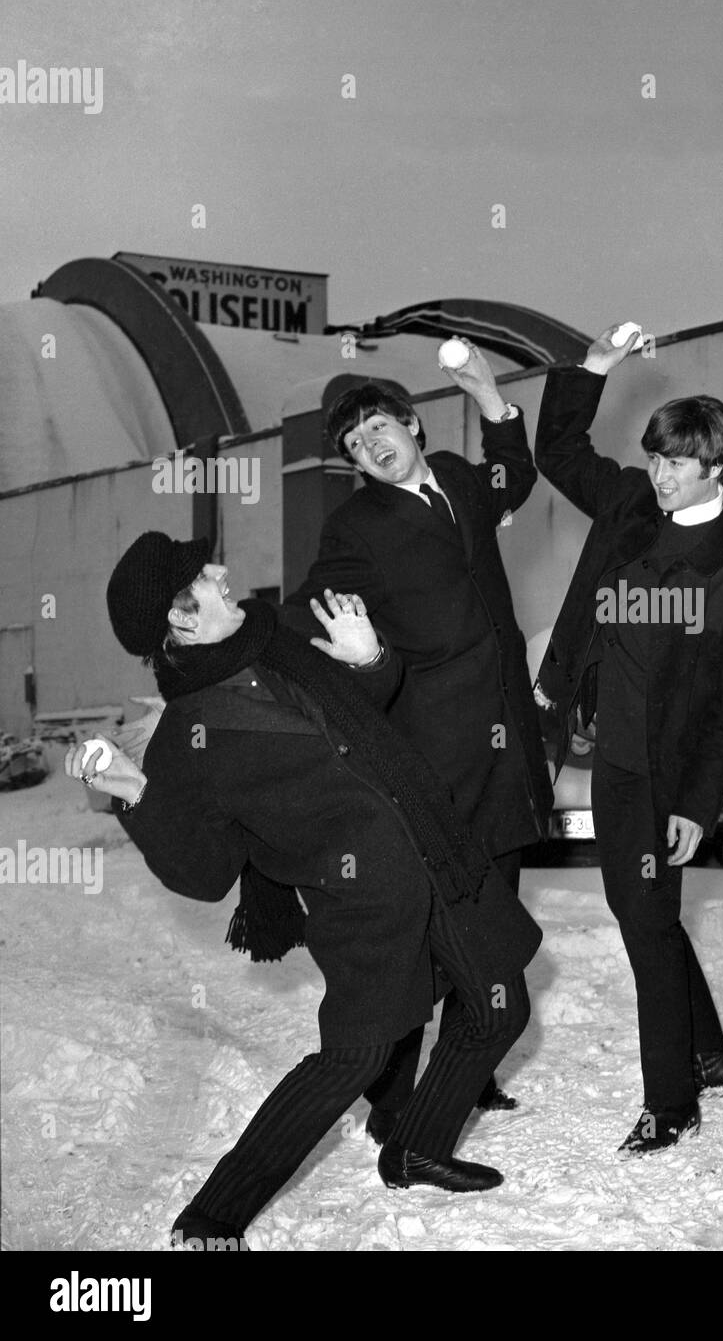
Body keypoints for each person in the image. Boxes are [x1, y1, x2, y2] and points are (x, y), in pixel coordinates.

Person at [71, 531, 541, 1248]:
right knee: (354, 1058)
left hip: (436, 845)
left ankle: (415, 1148)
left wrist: (369, 659)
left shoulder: (280, 633)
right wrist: (135, 793)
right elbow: (200, 874)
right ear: (184, 620)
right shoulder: (191, 736)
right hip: (367, 898)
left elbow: (358, 712)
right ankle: (214, 1215)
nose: (225, 572)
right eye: (205, 576)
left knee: (500, 1004)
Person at [284, 343, 553, 1133]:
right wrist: (362, 657)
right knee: (434, 932)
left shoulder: (464, 484)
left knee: (496, 913)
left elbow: (517, 473)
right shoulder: (356, 528)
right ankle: (390, 1097)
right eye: (355, 448)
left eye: (378, 429)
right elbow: (307, 613)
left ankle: (466, 1074)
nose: (371, 448)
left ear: (411, 423)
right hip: (435, 755)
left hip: (507, 747)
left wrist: (491, 397)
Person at [533, 325, 723, 1155]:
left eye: (678, 464)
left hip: (661, 771)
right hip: (607, 751)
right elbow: (556, 451)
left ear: (717, 469)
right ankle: (708, 1054)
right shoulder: (635, 502)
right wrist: (592, 369)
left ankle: (671, 1102)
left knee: (644, 923)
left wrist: (699, 806)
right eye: (657, 458)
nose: (661, 476)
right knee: (643, 914)